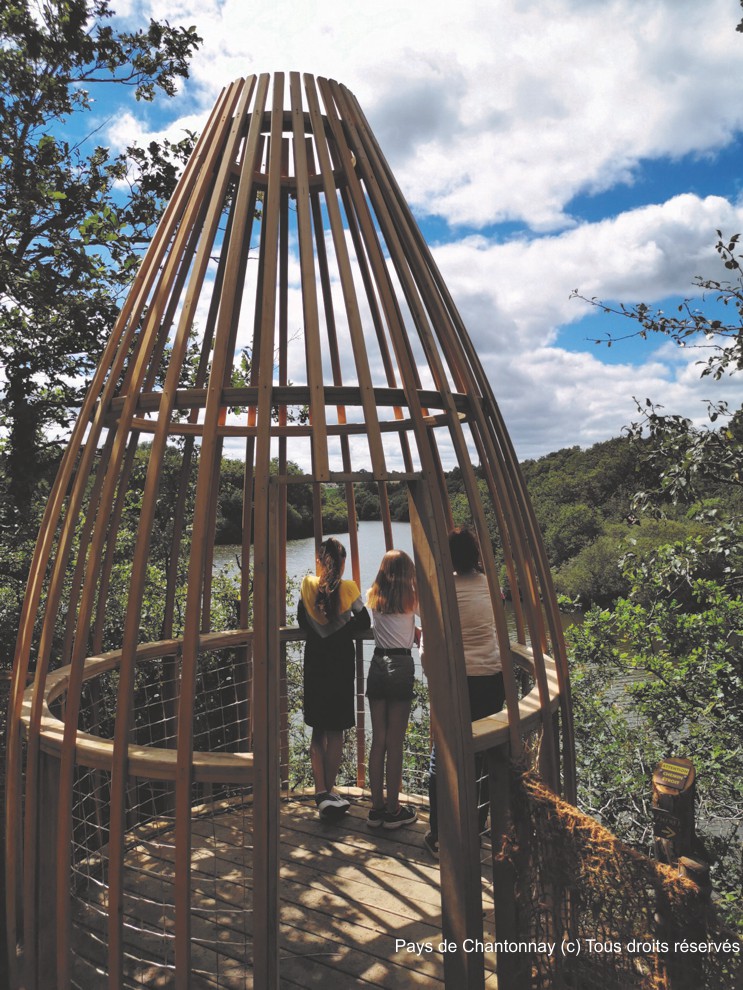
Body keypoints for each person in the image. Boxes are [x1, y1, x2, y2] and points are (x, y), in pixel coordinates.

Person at [424, 527, 505, 859]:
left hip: (460, 682)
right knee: (483, 755)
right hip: (493, 679)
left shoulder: (443, 590)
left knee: (442, 756)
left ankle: (440, 833)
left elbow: (429, 647)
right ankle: (476, 827)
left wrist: (434, 679)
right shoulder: (489, 585)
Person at [297, 537, 370, 822]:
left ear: (319, 560)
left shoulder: (306, 585)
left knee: (317, 729)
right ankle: (329, 792)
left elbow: (303, 621)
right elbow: (364, 623)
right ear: (341, 563)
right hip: (340, 664)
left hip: (315, 661)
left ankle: (321, 792)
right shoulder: (349, 588)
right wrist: (344, 625)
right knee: (337, 730)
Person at [365, 549, 420, 829]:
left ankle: (375, 809)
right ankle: (393, 809)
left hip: (377, 663)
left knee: (379, 740)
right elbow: (425, 616)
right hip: (401, 664)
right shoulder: (412, 597)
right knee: (395, 743)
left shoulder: (372, 595)